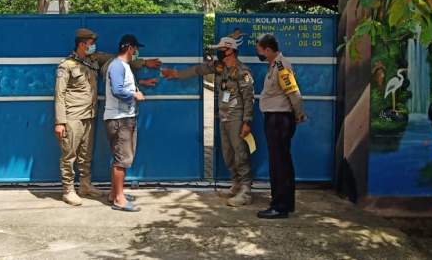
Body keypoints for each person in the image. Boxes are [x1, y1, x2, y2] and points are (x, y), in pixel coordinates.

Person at [54, 28, 160, 207]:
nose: (93, 46)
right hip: (72, 116)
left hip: (90, 114)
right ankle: (68, 190)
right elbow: (60, 94)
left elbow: (119, 61)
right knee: (69, 154)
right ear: (82, 44)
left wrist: (143, 64)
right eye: (90, 44)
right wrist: (60, 121)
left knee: (86, 154)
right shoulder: (67, 65)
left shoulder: (93, 60)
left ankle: (85, 186)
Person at [162, 37, 255, 206]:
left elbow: (249, 98)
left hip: (237, 118)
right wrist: (176, 74)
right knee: (228, 154)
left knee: (240, 153)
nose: (218, 52)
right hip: (223, 117)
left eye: (221, 49)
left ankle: (246, 191)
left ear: (231, 51)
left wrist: (247, 122)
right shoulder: (219, 67)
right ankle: (236, 184)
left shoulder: (243, 71)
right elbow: (198, 70)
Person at [255, 33, 307, 219]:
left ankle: (280, 206)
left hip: (279, 120)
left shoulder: (281, 65)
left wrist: (299, 113)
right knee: (281, 162)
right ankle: (285, 203)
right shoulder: (274, 65)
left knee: (279, 164)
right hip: (276, 119)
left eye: (260, 50)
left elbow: (294, 92)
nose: (259, 54)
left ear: (268, 50)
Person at [104, 34, 149, 212]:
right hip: (119, 119)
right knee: (122, 160)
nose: (136, 52)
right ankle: (119, 200)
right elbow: (117, 90)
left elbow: (125, 86)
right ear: (129, 48)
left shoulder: (124, 66)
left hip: (124, 117)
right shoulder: (117, 66)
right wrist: (134, 95)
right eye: (136, 48)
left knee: (120, 157)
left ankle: (113, 193)